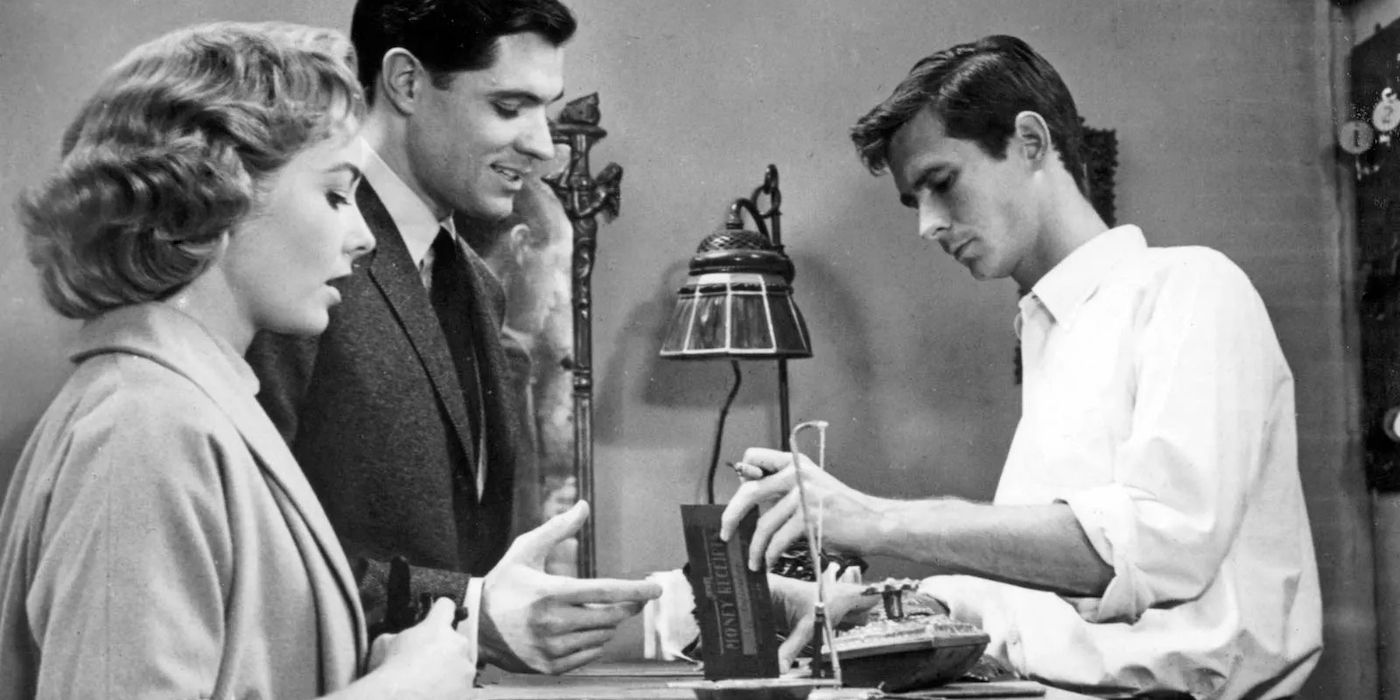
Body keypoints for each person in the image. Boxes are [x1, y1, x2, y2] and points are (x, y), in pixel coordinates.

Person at [721, 35, 1322, 699]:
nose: (927, 225)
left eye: (941, 183)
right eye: (914, 200)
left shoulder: (1192, 287)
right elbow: (1042, 600)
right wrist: (895, 607)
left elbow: (1157, 548)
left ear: (1030, 142)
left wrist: (873, 520)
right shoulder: (1051, 330)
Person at [0, 22, 481, 698]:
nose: (363, 237)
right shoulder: (146, 428)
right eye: (336, 195)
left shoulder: (188, 408)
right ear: (216, 193)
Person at [245, 0, 659, 674]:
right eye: (509, 107)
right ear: (407, 83)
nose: (544, 146)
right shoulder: (292, 263)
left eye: (544, 110)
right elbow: (247, 545)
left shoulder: (474, 281)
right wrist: (470, 608)